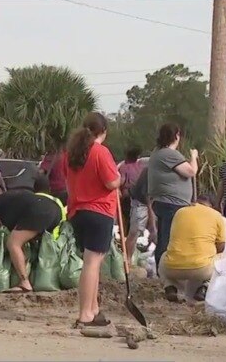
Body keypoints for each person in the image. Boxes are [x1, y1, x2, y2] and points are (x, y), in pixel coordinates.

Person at [63, 112, 120, 328]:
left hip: (78, 210)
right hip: (99, 210)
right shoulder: (100, 152)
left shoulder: (72, 153)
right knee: (92, 263)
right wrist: (119, 178)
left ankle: (93, 308)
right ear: (103, 131)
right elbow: (111, 183)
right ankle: (85, 313)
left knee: (93, 261)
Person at [0, 175, 65, 292]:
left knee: (13, 243)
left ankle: (24, 282)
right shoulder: (20, 199)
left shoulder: (0, 201)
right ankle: (45, 279)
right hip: (55, 210)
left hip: (39, 210)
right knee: (36, 246)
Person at [147, 123, 198, 271]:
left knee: (165, 237)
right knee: (169, 239)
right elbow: (190, 171)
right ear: (176, 136)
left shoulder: (158, 153)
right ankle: (165, 271)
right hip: (171, 204)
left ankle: (164, 270)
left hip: (166, 202)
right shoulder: (168, 154)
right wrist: (193, 157)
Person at [159, 194, 226, 303]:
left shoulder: (179, 212)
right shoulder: (216, 215)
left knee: (164, 256)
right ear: (212, 205)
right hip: (201, 270)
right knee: (224, 258)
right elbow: (221, 246)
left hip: (171, 269)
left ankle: (169, 286)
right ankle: (205, 286)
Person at [126, 164, 156, 263]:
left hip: (154, 202)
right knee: (135, 231)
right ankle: (128, 260)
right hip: (141, 202)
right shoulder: (150, 171)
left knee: (156, 231)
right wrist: (152, 225)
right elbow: (147, 199)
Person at [118, 146, 145, 234]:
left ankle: (124, 233)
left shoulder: (123, 166)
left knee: (126, 217)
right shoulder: (141, 165)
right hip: (139, 195)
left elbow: (121, 181)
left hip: (127, 195)